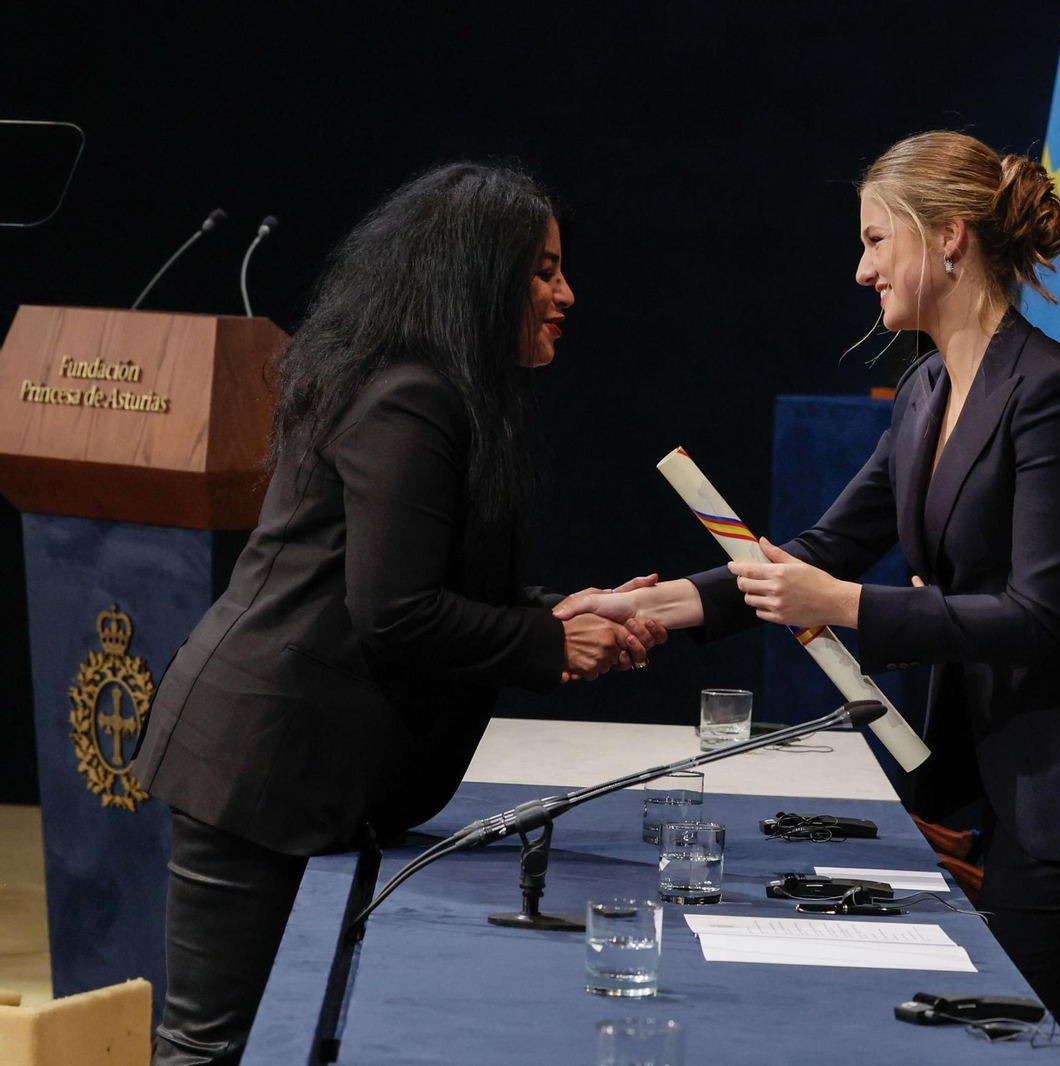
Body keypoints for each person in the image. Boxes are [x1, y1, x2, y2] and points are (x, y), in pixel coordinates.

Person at [554, 130, 1060, 1037]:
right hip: (1010, 775)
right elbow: (822, 549)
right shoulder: (927, 388)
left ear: (948, 236)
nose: (861, 270)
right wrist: (645, 607)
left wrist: (841, 606)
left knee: (1019, 1041)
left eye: (873, 240)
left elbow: (1040, 618)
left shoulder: (1056, 395)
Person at [130, 163, 664, 1065]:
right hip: (260, 763)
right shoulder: (411, 395)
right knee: (210, 1049)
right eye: (542, 271)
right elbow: (397, 613)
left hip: (299, 763)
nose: (567, 293)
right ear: (476, 274)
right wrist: (548, 640)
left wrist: (563, 614)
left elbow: (423, 584)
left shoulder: (432, 387)